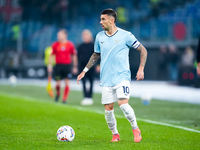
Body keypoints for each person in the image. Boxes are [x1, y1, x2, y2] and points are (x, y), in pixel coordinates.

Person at [77, 9, 147, 142]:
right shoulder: (99, 37)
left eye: (103, 19)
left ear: (112, 20)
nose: (100, 22)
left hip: (122, 76)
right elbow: (96, 55)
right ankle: (115, 135)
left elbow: (143, 50)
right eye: (100, 19)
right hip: (106, 78)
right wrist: (84, 71)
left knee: (123, 104)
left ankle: (135, 128)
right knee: (108, 110)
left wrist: (141, 69)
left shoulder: (126, 35)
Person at [48, 29, 78, 103]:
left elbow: (74, 55)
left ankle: (64, 99)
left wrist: (75, 66)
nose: (59, 37)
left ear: (65, 35)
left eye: (60, 35)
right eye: (58, 35)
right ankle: (58, 93)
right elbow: (51, 55)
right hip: (58, 66)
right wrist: (50, 65)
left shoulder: (70, 45)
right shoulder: (55, 44)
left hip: (67, 66)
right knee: (57, 83)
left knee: (67, 82)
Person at [77, 29, 95, 105]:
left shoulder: (93, 45)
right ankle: (85, 97)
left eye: (86, 35)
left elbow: (97, 56)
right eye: (83, 35)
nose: (84, 37)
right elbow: (78, 57)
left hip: (91, 66)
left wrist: (98, 65)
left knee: (91, 82)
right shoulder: (80, 46)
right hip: (82, 66)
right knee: (83, 82)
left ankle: (90, 97)